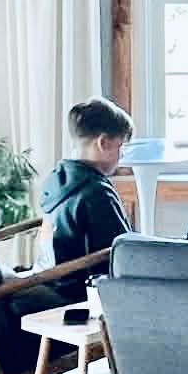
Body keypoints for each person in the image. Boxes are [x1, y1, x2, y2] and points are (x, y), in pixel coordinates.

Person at [39, 96, 133, 267]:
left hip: (54, 280)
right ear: (103, 143)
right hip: (83, 289)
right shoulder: (96, 193)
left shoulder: (55, 181)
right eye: (120, 146)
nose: (122, 155)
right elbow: (124, 254)